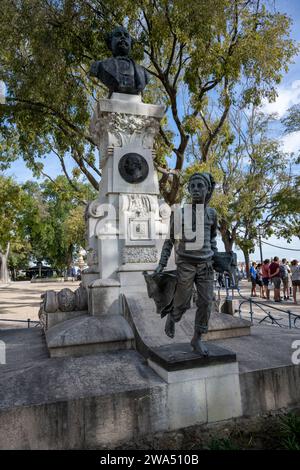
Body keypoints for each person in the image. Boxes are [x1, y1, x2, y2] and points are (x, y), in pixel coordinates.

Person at [154, 172, 218, 356]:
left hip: (206, 265)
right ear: (189, 189)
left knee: (206, 303)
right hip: (186, 265)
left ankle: (197, 338)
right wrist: (161, 264)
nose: (197, 189)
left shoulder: (212, 213)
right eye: (194, 186)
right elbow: (169, 242)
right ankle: (173, 317)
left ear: (207, 190)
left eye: (201, 186)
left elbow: (212, 239)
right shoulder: (180, 214)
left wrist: (216, 257)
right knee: (183, 303)